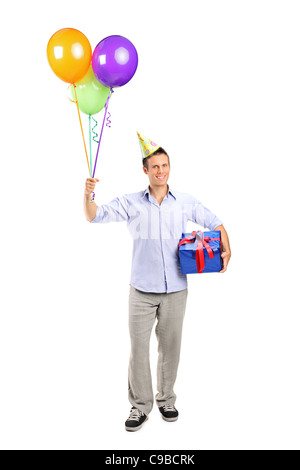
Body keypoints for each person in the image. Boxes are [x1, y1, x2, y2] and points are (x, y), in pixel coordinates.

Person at [83, 132, 231, 432]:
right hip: (140, 290)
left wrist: (228, 249)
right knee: (138, 349)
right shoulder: (131, 202)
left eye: (165, 165)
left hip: (176, 289)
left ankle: (166, 399)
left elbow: (215, 221)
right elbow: (94, 216)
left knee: (171, 347)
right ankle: (140, 406)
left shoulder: (185, 202)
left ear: (169, 168)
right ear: (145, 171)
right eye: (155, 167)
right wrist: (88, 196)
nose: (161, 171)